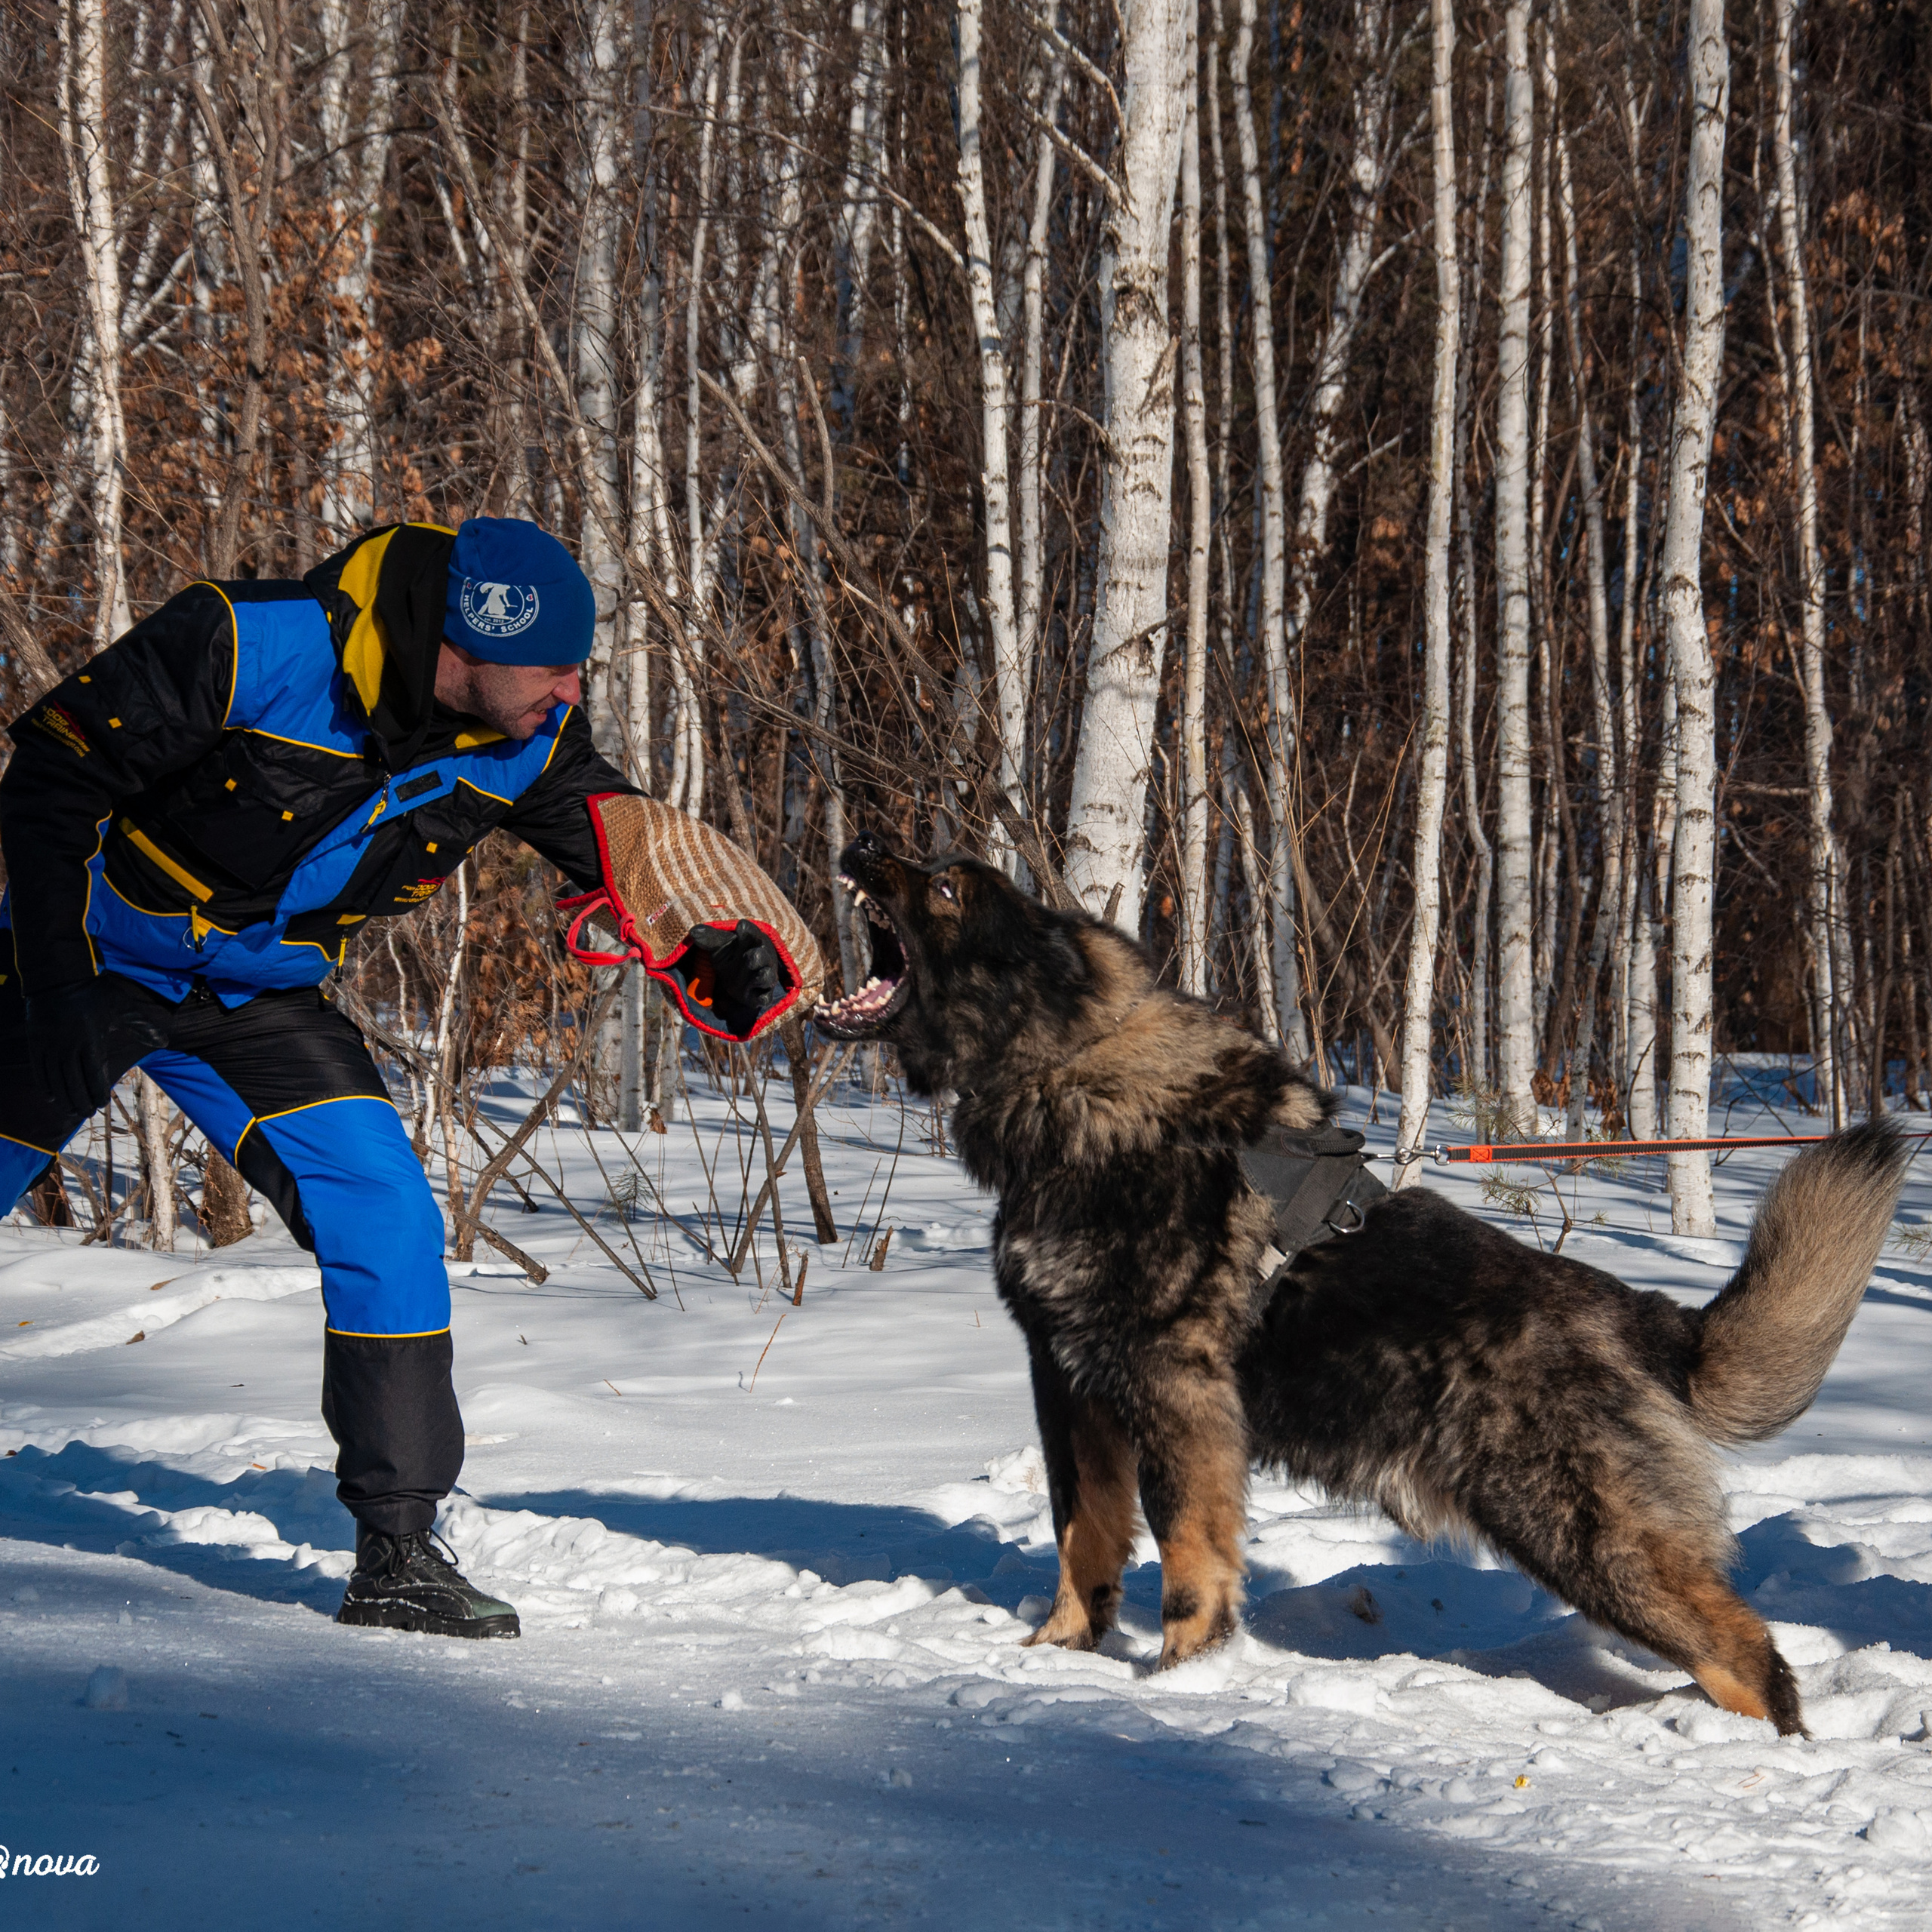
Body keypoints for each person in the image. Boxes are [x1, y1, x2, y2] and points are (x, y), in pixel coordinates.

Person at [0, 518, 796, 1638]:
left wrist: (717, 947)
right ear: (469, 645)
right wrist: (53, 984)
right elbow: (49, 774)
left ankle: (400, 1553)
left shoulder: (527, 736)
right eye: (556, 666)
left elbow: (628, 859)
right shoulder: (254, 644)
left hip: (259, 997)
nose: (572, 691)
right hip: (87, 956)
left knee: (386, 1214)